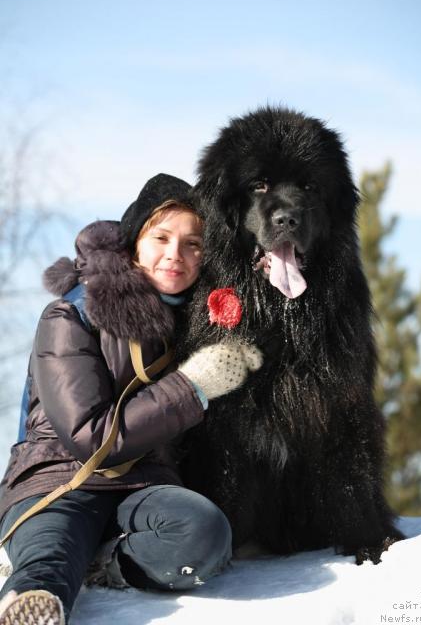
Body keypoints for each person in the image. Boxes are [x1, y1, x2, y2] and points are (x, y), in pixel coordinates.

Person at [0, 173, 262, 624]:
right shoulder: (71, 314)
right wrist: (193, 385)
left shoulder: (196, 321)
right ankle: (33, 599)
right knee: (54, 552)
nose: (174, 255)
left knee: (205, 531)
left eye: (193, 243)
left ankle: (107, 561)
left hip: (144, 485)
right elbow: (90, 437)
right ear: (134, 243)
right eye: (161, 237)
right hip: (63, 478)